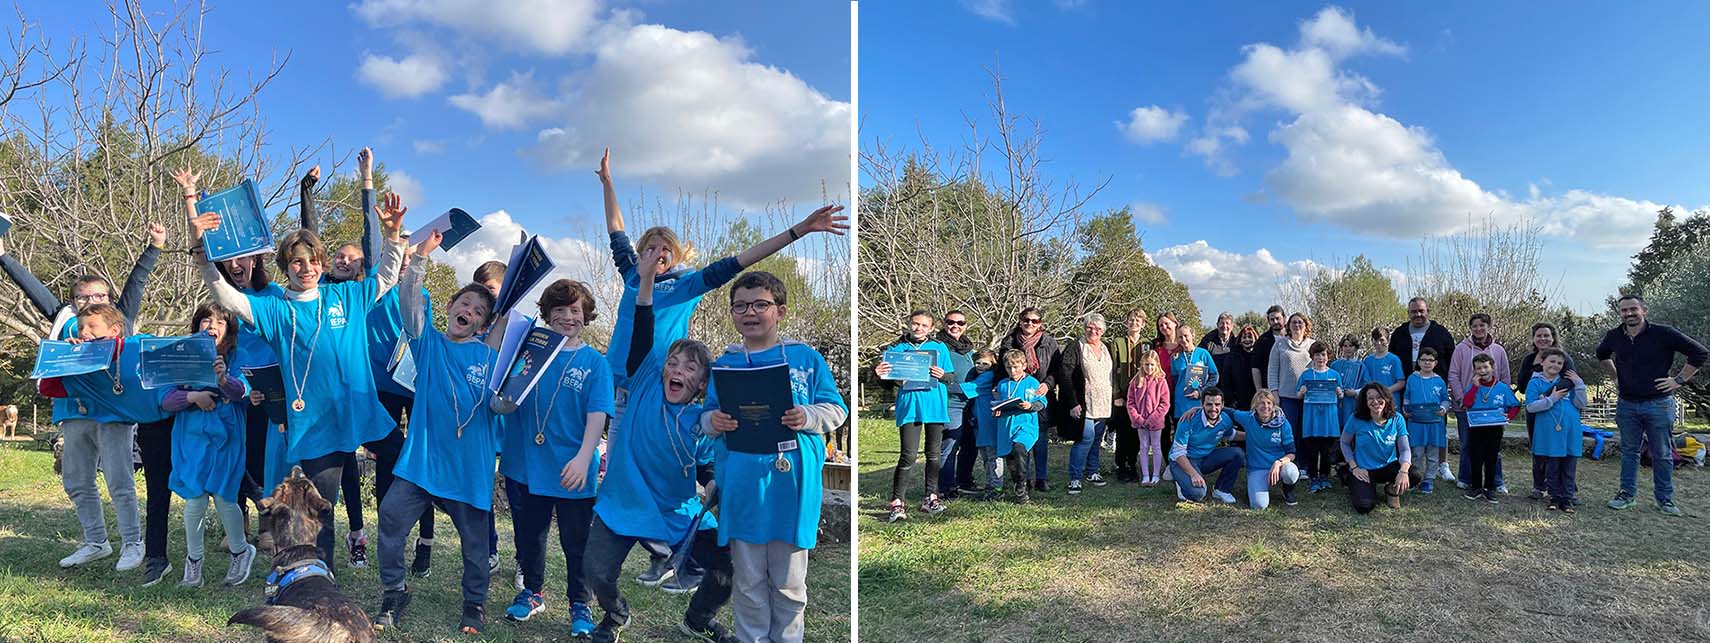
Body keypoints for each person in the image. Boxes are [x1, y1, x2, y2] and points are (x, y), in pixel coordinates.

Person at [179, 166, 408, 575]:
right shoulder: (276, 309)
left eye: (313, 260)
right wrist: (199, 247)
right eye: (297, 262)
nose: (307, 268)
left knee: (414, 464)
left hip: (360, 411)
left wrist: (392, 236)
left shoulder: (347, 296)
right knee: (322, 507)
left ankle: (415, 544)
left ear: (321, 262)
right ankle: (321, 576)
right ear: (287, 267)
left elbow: (388, 276)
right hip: (316, 424)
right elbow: (222, 294)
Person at [1, 224, 164, 576]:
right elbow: (32, 288)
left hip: (112, 413)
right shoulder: (66, 321)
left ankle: (133, 542)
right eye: (83, 298)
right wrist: (2, 255)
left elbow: (137, 282)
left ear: (109, 300)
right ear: (73, 303)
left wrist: (153, 247)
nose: (91, 303)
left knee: (120, 480)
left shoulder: (119, 319)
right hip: (74, 412)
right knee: (76, 480)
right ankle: (96, 541)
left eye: (98, 297)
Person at [372, 229, 505, 634]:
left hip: (469, 468)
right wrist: (420, 258)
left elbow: (503, 401)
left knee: (475, 544)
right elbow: (409, 302)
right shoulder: (427, 343)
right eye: (465, 303)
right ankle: (395, 589)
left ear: (484, 323)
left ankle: (474, 603)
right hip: (423, 463)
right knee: (391, 520)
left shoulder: (492, 356)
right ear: (450, 307)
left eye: (479, 311)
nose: (470, 311)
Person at [703, 271, 847, 643]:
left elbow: (836, 409)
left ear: (780, 311)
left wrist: (809, 416)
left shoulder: (805, 358)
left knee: (788, 583)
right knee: (748, 581)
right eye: (740, 306)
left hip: (791, 486)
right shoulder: (725, 364)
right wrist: (713, 420)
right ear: (733, 313)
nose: (750, 312)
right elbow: (706, 417)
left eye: (760, 304)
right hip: (744, 485)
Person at [580, 247, 713, 643]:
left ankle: (699, 620)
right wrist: (647, 279)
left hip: (677, 511)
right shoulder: (641, 386)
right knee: (595, 571)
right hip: (621, 502)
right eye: (673, 363)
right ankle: (615, 616)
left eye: (690, 368)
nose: (677, 371)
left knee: (726, 567)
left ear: (701, 384)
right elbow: (643, 324)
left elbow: (707, 465)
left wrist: (711, 481)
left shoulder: (702, 420)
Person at [497, 279, 612, 636]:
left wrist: (583, 457)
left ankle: (580, 603)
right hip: (526, 465)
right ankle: (531, 592)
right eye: (558, 310)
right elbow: (505, 392)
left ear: (585, 315)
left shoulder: (594, 363)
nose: (567, 317)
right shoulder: (529, 351)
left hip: (572, 468)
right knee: (530, 536)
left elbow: (598, 413)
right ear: (546, 315)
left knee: (576, 542)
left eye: (574, 310)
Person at [159, 303, 257, 588]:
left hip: (226, 434)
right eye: (206, 320)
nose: (212, 326)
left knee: (225, 497)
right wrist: (193, 397)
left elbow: (244, 391)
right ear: (196, 325)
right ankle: (193, 562)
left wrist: (223, 380)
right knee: (194, 499)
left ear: (230, 330)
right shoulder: (181, 355)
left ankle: (240, 551)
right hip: (190, 436)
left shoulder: (239, 355)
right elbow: (165, 399)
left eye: (220, 322)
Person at [1596, 294, 1708, 516]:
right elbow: (1602, 354)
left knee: (1663, 453)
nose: (1628, 313)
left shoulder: (1663, 333)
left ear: (1644, 310)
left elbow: (1700, 353)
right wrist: (1616, 377)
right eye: (1624, 310)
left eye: (1633, 309)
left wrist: (1678, 380)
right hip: (1627, 404)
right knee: (1629, 451)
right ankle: (1627, 495)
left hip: (1658, 404)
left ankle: (1664, 499)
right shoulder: (1614, 336)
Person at [876, 311, 956, 521]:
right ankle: (897, 503)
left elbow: (950, 376)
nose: (918, 328)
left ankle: (931, 498)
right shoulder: (896, 349)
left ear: (931, 328)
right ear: (909, 325)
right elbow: (887, 381)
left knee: (933, 455)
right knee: (908, 455)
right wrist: (881, 374)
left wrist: (942, 375)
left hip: (935, 406)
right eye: (915, 324)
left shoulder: (939, 348)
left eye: (923, 325)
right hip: (910, 406)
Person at [1448, 313, 1511, 494]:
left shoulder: (1498, 350)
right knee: (1467, 444)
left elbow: (1505, 377)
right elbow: (1453, 374)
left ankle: (1496, 481)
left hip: (1492, 410)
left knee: (1493, 447)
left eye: (1482, 325)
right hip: (1467, 407)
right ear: (1470, 328)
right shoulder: (1461, 349)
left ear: (1488, 327)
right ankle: (1466, 478)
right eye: (1474, 326)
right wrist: (1461, 397)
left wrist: (1502, 401)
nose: (1478, 329)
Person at [998, 307, 1059, 490]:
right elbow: (1002, 367)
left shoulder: (1049, 342)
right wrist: (997, 387)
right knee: (1016, 441)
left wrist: (1047, 384)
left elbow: (1057, 369)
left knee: (1039, 438)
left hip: (1039, 392)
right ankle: (1023, 479)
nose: (1029, 324)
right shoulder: (1009, 341)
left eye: (1034, 321)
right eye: (1026, 320)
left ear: (1040, 323)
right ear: (1020, 320)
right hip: (1014, 392)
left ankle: (1041, 478)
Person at [1340, 384, 1423, 514]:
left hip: (1388, 465)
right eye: (1370, 398)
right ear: (1365, 401)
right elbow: (1344, 442)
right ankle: (1349, 477)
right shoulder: (1356, 418)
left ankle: (1391, 489)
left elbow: (1405, 449)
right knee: (1364, 506)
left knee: (1415, 475)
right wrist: (1354, 467)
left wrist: (1403, 471)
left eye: (1379, 397)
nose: (1375, 401)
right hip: (1363, 468)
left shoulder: (1397, 418)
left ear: (1387, 398)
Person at [1056, 313, 1114, 494]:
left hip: (1103, 401)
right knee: (1085, 438)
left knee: (1097, 439)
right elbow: (1065, 376)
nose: (1093, 331)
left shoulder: (1107, 348)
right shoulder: (1076, 347)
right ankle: (1075, 477)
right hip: (1084, 402)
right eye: (1089, 327)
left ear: (1103, 331)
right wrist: (1073, 403)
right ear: (1084, 328)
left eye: (1097, 328)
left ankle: (1092, 471)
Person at [1518, 322, 1577, 502]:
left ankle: (1564, 489)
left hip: (1558, 412)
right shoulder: (1529, 359)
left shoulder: (1563, 357)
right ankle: (1538, 486)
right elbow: (1521, 384)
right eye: (1539, 335)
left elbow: (1570, 380)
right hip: (1536, 410)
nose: (1543, 339)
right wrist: (1539, 394)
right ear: (1534, 338)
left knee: (1561, 450)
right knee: (1539, 449)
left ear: (1553, 337)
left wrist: (1548, 393)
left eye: (1546, 335)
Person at [1525, 349, 1588, 513]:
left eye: (1559, 363)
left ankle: (1567, 498)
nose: (1555, 365)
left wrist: (1580, 384)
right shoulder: (1535, 382)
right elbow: (1531, 406)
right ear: (1542, 362)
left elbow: (1581, 404)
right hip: (1549, 432)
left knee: (1569, 465)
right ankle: (1554, 496)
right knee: (1552, 466)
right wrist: (1552, 399)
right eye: (1552, 361)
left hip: (1569, 430)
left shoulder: (1568, 382)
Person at [1460, 353, 1521, 504]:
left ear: (1492, 367)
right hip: (1476, 428)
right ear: (1474, 371)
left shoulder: (1502, 387)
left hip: (1494, 429)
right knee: (1476, 457)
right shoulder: (1473, 386)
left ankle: (1489, 488)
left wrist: (1509, 417)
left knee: (1491, 458)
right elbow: (1466, 403)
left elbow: (1515, 405)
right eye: (1478, 368)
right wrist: (1475, 387)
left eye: (1486, 367)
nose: (1483, 371)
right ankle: (1475, 487)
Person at [1167, 387, 1244, 504]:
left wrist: (1254, 435)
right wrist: (1193, 474)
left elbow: (1231, 435)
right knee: (1198, 494)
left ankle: (1221, 490)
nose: (1213, 408)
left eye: (1217, 404)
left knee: (1237, 453)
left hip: (1206, 457)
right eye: (1209, 404)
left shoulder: (1225, 419)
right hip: (1184, 459)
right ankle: (1179, 477)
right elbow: (1178, 453)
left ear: (1222, 404)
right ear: (1202, 404)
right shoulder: (1188, 419)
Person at [994, 350, 1048, 504]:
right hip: (1006, 426)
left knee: (1019, 448)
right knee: (1011, 458)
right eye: (1009, 367)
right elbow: (998, 403)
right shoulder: (1003, 384)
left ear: (1024, 365)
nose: (1013, 371)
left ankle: (1022, 486)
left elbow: (1041, 402)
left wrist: (1030, 405)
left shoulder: (1032, 383)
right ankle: (1020, 483)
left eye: (1016, 367)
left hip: (1026, 424)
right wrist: (997, 409)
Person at [1229, 390, 1298, 508]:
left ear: (1273, 405)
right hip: (1258, 468)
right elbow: (1228, 411)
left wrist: (1278, 462)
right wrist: (1198, 409)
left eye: (1269, 403)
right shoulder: (1248, 418)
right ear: (1255, 406)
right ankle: (1257, 485)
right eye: (1261, 403)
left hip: (1279, 466)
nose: (1265, 406)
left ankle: (1287, 490)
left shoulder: (1283, 423)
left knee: (1291, 472)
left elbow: (1291, 453)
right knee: (1259, 505)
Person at [937, 310, 979, 497]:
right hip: (950, 403)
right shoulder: (938, 347)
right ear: (944, 324)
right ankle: (946, 486)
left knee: (971, 444)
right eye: (951, 322)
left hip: (971, 403)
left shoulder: (970, 350)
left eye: (960, 323)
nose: (955, 326)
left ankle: (965, 480)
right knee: (950, 444)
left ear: (965, 325)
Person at [1401, 348, 1451, 495]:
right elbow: (1407, 396)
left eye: (1430, 360)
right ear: (1419, 362)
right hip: (1416, 423)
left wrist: (1443, 408)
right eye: (1424, 360)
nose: (1427, 363)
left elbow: (1445, 399)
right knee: (1416, 452)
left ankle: (1429, 479)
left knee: (1433, 453)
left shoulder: (1439, 380)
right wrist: (1405, 408)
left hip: (1435, 424)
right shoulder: (1412, 378)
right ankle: (1414, 477)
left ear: (1435, 363)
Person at [1108, 309, 1151, 482]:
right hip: (1123, 395)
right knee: (1123, 430)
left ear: (1143, 324)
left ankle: (1132, 464)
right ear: (1126, 322)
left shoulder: (1147, 343)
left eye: (1138, 320)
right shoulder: (1118, 342)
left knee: (1136, 431)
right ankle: (1121, 465)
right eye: (1131, 319)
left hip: (1141, 396)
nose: (1134, 322)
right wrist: (1116, 394)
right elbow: (1112, 370)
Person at [1296, 341, 1342, 493]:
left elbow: (1340, 394)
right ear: (1312, 356)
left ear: (1328, 356)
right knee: (1313, 450)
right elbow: (1298, 395)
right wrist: (1302, 392)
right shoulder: (1306, 375)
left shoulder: (1334, 374)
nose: (1320, 358)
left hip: (1329, 419)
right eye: (1317, 354)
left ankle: (1324, 476)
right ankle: (1313, 477)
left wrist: (1339, 393)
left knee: (1327, 451)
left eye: (1323, 354)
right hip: (1312, 419)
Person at [1125, 350, 1170, 487]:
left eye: (1152, 365)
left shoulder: (1161, 381)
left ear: (1156, 365)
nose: (1149, 368)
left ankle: (1155, 474)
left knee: (1156, 447)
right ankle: (1145, 475)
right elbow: (1130, 401)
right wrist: (1137, 418)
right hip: (1140, 422)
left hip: (1155, 422)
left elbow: (1165, 403)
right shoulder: (1136, 381)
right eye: (1146, 365)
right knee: (1143, 447)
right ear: (1141, 365)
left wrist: (1153, 419)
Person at [1267, 313, 1314, 441]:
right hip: (1286, 397)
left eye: (1300, 322)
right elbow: (1272, 371)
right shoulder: (1280, 344)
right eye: (1294, 322)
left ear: (1306, 326)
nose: (1297, 325)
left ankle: (1305, 461)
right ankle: (1290, 459)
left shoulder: (1312, 345)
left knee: (1306, 432)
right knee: (1289, 432)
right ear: (1289, 325)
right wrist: (1274, 394)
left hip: (1308, 397)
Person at [1387, 297, 1458, 379]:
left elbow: (1451, 360)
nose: (1418, 314)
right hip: (1404, 385)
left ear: (1428, 311)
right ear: (1408, 313)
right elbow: (1392, 359)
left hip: (1433, 386)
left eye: (1421, 311)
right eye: (1413, 312)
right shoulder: (1399, 333)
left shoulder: (1441, 333)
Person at [966, 350, 1004, 498]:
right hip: (979, 420)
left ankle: (997, 487)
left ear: (993, 363)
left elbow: (968, 389)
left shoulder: (988, 377)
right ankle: (990, 485)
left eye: (985, 363)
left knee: (993, 455)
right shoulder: (978, 375)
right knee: (986, 455)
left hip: (989, 420)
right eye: (978, 363)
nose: (981, 366)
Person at [1169, 325, 1220, 422]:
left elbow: (1214, 376)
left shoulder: (1203, 354)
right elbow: (1175, 380)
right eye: (1180, 337)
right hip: (1181, 404)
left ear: (1193, 335)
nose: (1183, 339)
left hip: (1199, 404)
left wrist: (1201, 392)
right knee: (1182, 435)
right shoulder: (1175, 357)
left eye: (1186, 335)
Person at [1222, 325, 1264, 413]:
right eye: (1244, 337)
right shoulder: (1232, 357)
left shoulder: (1261, 355)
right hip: (1238, 401)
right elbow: (1226, 380)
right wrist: (1231, 400)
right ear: (1240, 340)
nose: (1247, 340)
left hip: (1257, 398)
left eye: (1250, 337)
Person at [1362, 326, 1405, 410]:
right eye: (1375, 340)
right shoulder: (1367, 360)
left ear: (1388, 340)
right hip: (1374, 403)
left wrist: (1385, 391)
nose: (1378, 343)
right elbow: (1365, 383)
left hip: (1391, 401)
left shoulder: (1394, 359)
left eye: (1382, 340)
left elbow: (1401, 382)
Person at [1330, 335, 1364, 428]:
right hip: (1336, 403)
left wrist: (1355, 392)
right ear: (1341, 347)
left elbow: (1367, 386)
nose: (1348, 349)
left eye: (1351, 346)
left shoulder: (1361, 366)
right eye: (1345, 346)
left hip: (1352, 404)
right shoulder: (1334, 365)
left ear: (1356, 348)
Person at [1253, 305, 1287, 389]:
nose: (1275, 322)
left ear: (1284, 318)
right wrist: (1259, 390)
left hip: (1289, 388)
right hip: (1269, 388)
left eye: (1278, 318)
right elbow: (1255, 368)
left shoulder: (1292, 337)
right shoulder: (1262, 341)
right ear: (1268, 321)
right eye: (1272, 319)